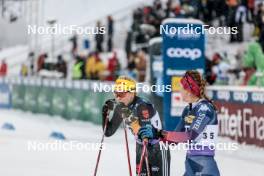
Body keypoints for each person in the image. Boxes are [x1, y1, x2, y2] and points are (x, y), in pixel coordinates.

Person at [139, 70, 220, 176]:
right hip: (191, 162)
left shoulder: (205, 108)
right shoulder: (188, 109)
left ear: (189, 90)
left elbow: (189, 135)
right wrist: (152, 135)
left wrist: (158, 133)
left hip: (204, 163)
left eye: (181, 87)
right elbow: (174, 140)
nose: (179, 90)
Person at [102, 76, 170, 176]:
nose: (118, 97)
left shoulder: (142, 105)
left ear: (132, 93)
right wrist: (105, 114)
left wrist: (128, 115)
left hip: (157, 147)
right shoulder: (121, 106)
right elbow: (108, 132)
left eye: (121, 93)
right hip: (140, 147)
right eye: (115, 93)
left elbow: (145, 133)